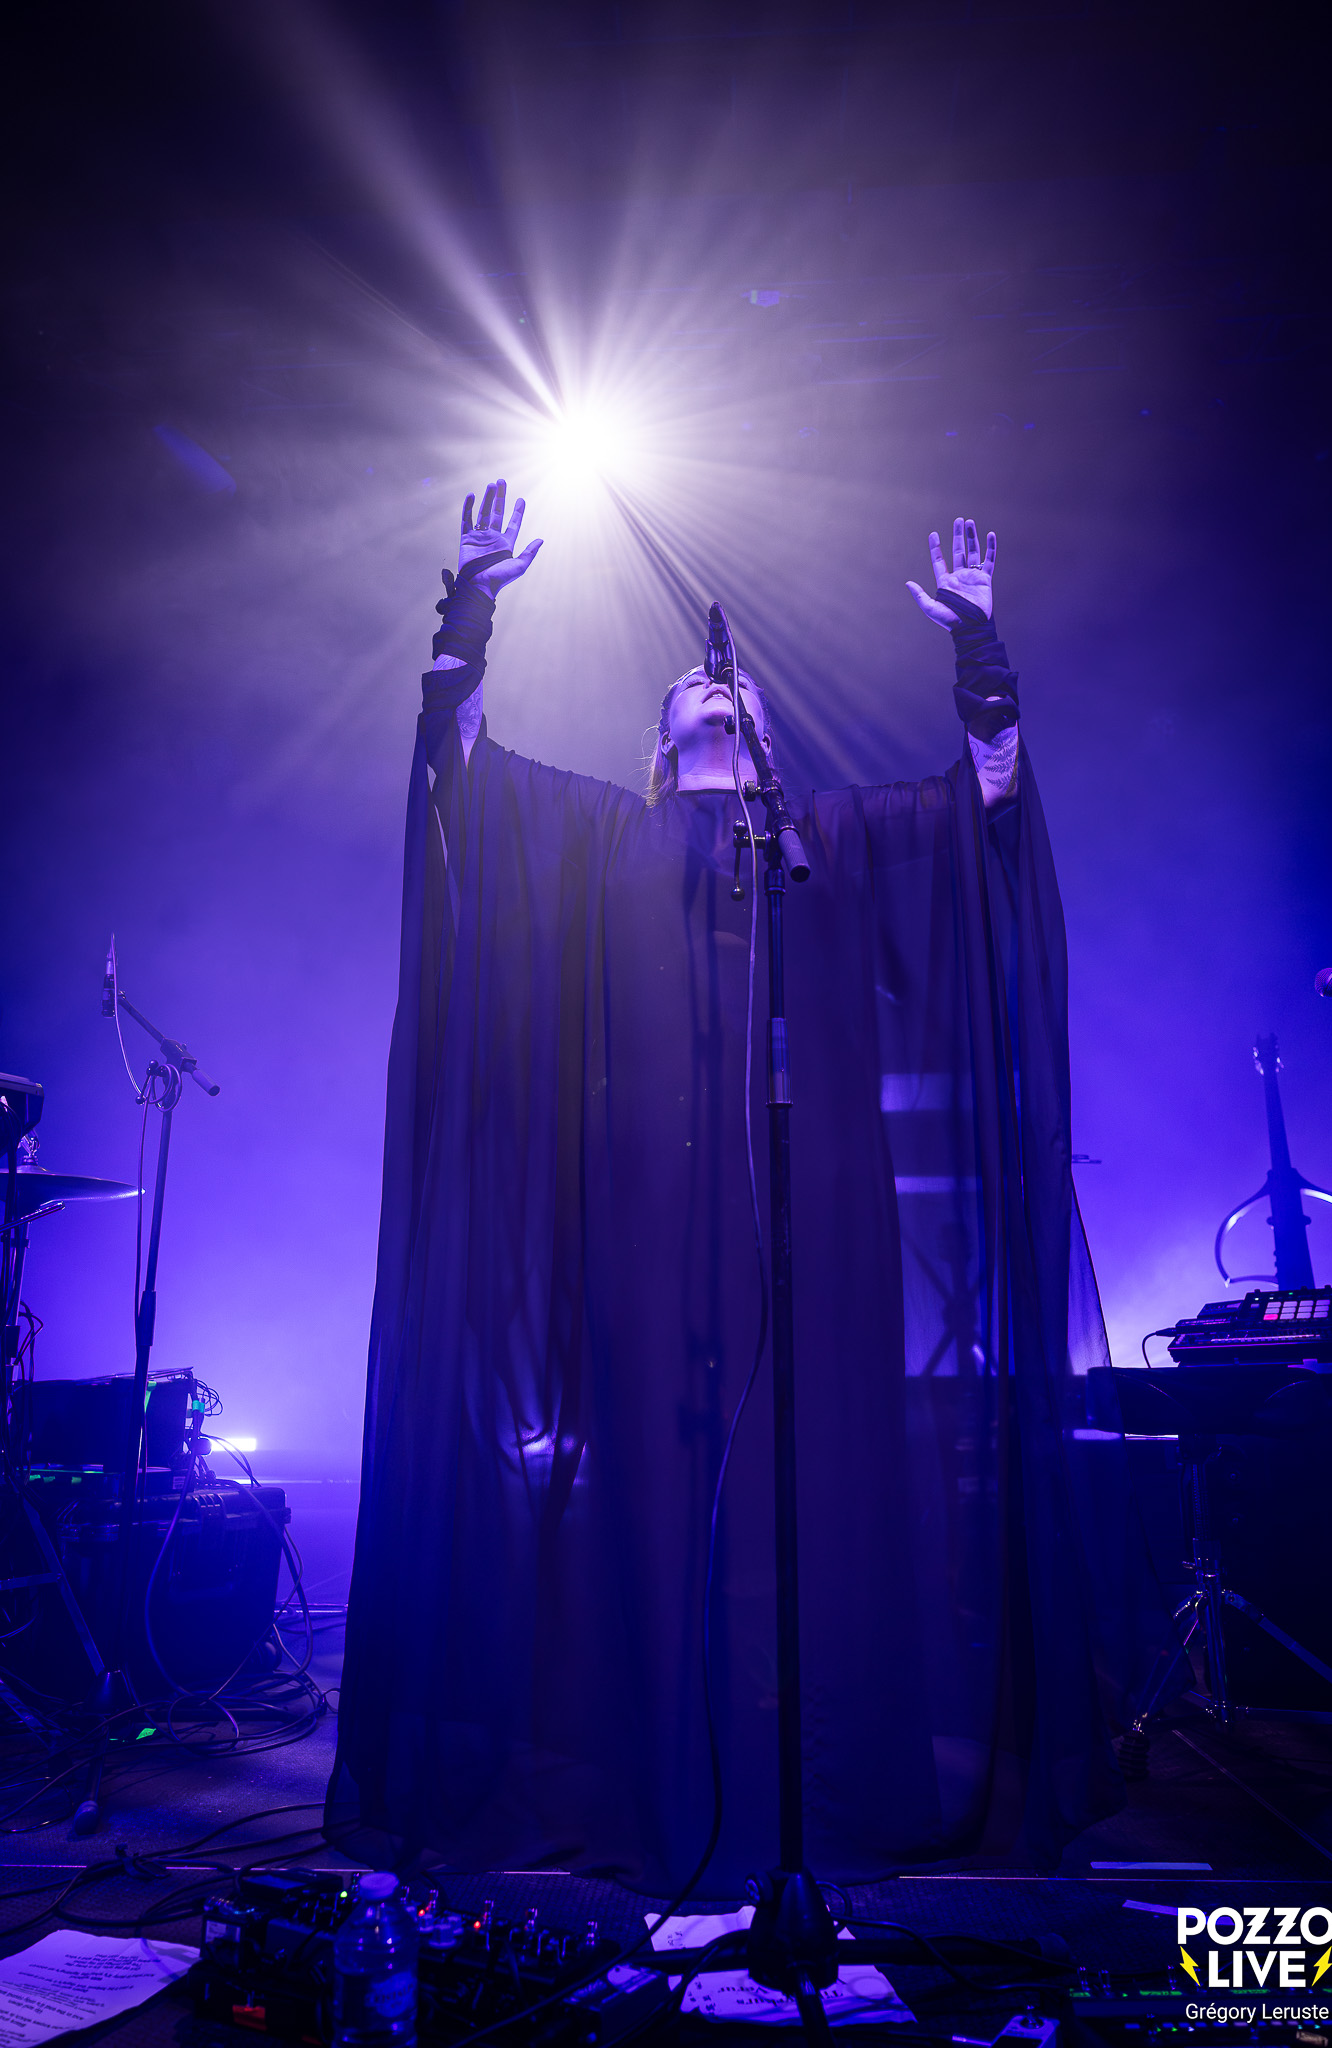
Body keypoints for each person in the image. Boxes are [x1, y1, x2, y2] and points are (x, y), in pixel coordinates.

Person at [332, 480, 1122, 1891]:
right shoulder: (599, 835)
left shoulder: (826, 837)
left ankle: (806, 1767)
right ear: (660, 742)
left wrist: (978, 649)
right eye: (694, 689)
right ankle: (653, 1759)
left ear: (759, 729)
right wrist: (471, 609)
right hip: (643, 1211)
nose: (718, 685)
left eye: (736, 687)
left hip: (815, 1214)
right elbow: (460, 771)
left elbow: (987, 806)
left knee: (810, 1476)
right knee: (654, 1471)